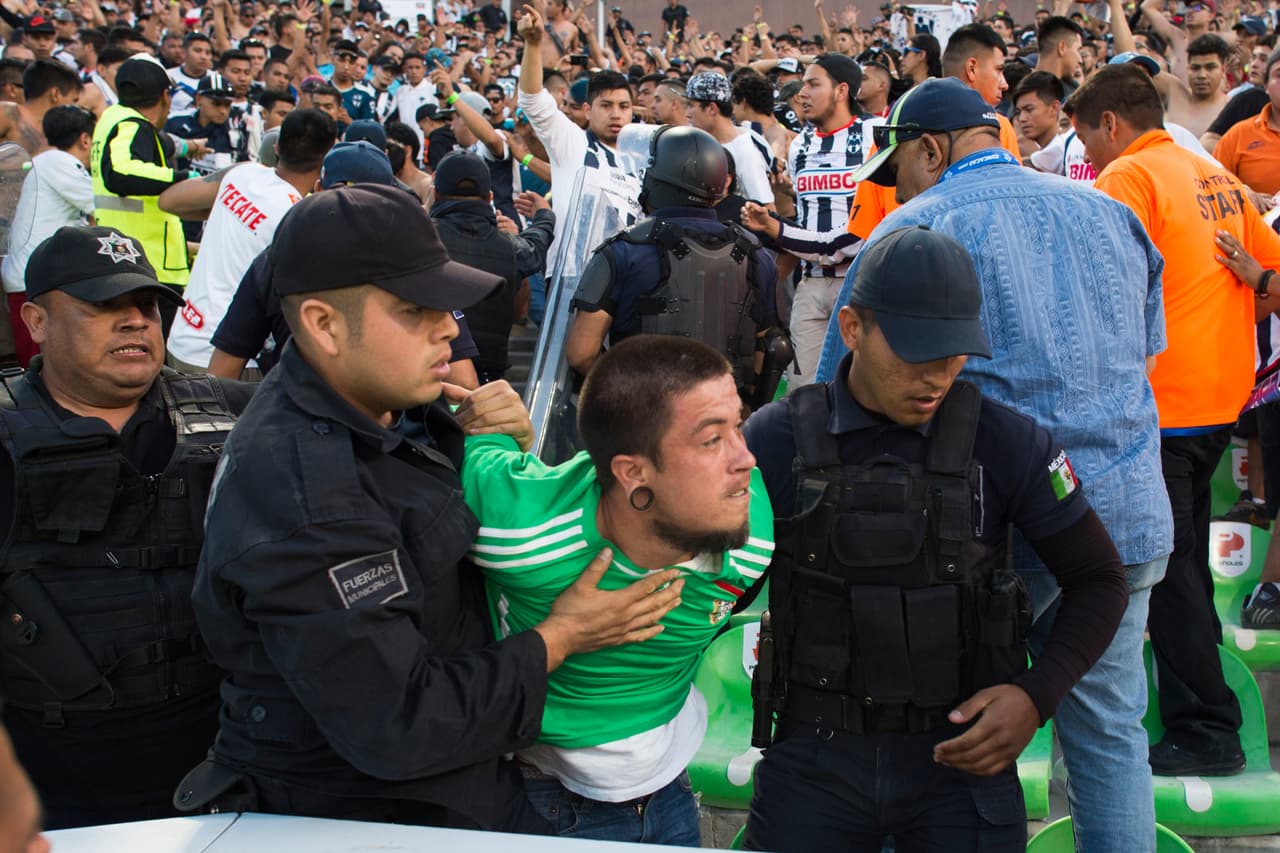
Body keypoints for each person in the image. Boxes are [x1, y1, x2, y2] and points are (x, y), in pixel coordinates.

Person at [181, 183, 683, 830]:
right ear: (324, 325)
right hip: (368, 817)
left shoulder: (385, 404)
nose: (449, 325)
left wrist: (507, 451)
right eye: (417, 307)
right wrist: (564, 634)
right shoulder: (308, 492)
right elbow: (400, 721)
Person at [815, 77, 1176, 853]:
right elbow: (1142, 356)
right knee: (1111, 737)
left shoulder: (919, 224)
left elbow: (832, 390)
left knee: (953, 733)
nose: (897, 187)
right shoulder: (1113, 212)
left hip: (990, 531)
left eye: (901, 166)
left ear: (930, 149)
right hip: (1128, 509)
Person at [743, 226, 1128, 852]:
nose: (937, 378)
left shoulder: (1006, 443)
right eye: (916, 355)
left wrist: (1036, 695)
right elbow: (715, 586)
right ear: (852, 330)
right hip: (812, 762)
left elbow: (1101, 580)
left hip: (959, 765)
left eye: (953, 355)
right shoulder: (776, 438)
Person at [462, 334, 773, 845]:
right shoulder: (515, 533)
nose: (746, 462)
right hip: (543, 798)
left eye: (738, 427)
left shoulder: (749, 523)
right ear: (632, 473)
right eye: (712, 439)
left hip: (673, 790)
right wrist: (496, 427)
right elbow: (474, 449)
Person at [0, 225, 254, 829]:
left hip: (231, 769)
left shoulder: (238, 414)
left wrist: (477, 421)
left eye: (145, 305)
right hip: (54, 789)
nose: (135, 321)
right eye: (102, 307)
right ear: (36, 321)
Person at [1066, 62, 1280, 777]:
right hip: (1221, 398)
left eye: (1086, 139)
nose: (1087, 157)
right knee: (1180, 565)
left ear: (1110, 124)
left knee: (1172, 574)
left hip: (1166, 406)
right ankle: (1204, 703)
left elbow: (1095, 293)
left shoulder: (1129, 177)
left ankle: (1208, 725)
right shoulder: (1209, 172)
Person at [567, 125, 786, 409]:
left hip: (646, 420)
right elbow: (771, 347)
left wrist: (632, 392)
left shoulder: (623, 250)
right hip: (726, 419)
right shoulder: (756, 254)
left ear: (658, 179)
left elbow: (581, 353)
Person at [165, 109, 335, 376]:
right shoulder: (298, 218)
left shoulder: (241, 174)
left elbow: (169, 201)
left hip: (180, 338)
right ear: (326, 158)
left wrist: (223, 210)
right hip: (231, 363)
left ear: (277, 146)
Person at [740, 54, 867, 390]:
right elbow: (812, 213)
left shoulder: (872, 137)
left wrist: (775, 229)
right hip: (809, 286)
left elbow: (855, 232)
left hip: (857, 285)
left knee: (858, 389)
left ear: (841, 91)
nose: (802, 93)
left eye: (814, 84)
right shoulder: (801, 146)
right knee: (803, 393)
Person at [430, 150, 555, 383]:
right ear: (489, 197)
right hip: (488, 383)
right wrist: (544, 214)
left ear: (436, 194)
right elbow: (535, 247)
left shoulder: (418, 237)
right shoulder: (510, 247)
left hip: (430, 378)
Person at [92, 55, 193, 330]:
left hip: (127, 256)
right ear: (165, 96)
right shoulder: (131, 124)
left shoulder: (112, 118)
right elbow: (122, 172)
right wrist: (183, 178)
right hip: (145, 261)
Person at [1, 105, 95, 367]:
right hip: (31, 283)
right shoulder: (59, 161)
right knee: (40, 372)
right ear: (86, 139)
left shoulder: (46, 161)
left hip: (31, 279)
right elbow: (102, 207)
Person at [684, 72, 775, 208]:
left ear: (711, 108)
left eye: (691, 105)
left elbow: (767, 209)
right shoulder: (743, 134)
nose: (687, 114)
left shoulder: (745, 152)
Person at [1213, 46, 1280, 198]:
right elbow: (1212, 186)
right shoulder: (1238, 136)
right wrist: (1243, 194)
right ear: (1266, 86)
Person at [168, 32, 213, 117]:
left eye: (207, 53)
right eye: (198, 51)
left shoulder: (216, 79)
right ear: (184, 52)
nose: (203, 57)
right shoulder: (168, 76)